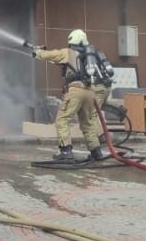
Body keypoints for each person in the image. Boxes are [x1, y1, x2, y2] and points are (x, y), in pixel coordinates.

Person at [35, 28, 114, 163]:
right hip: (90, 91)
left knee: (62, 120)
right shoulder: (88, 56)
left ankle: (66, 152)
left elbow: (52, 55)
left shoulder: (68, 52)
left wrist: (37, 52)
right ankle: (96, 152)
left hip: (75, 91)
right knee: (88, 123)